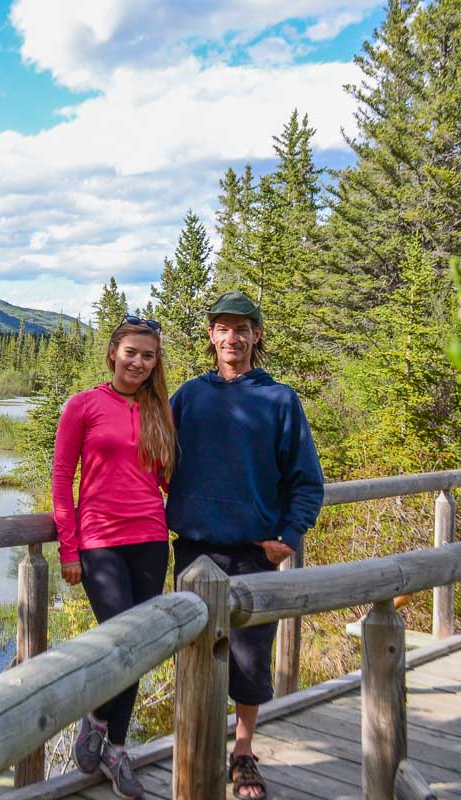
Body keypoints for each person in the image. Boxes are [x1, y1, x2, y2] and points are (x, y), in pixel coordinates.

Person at [166, 290, 324, 800]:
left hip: (253, 554)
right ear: (211, 336)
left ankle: (243, 752)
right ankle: (197, 746)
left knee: (252, 661)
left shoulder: (280, 400)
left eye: (242, 329)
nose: (231, 338)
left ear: (256, 336)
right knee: (193, 656)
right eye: (222, 328)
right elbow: (151, 455)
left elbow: (307, 481)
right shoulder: (189, 397)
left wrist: (288, 538)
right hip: (193, 551)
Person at [52, 316, 177, 800]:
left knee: (140, 644)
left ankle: (115, 746)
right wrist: (68, 548)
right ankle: (98, 717)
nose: (139, 363)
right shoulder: (83, 405)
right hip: (99, 539)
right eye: (132, 353)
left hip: (150, 537)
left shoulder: (159, 410)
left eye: (148, 356)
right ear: (113, 353)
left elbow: (168, 479)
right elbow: (63, 478)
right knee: (121, 639)